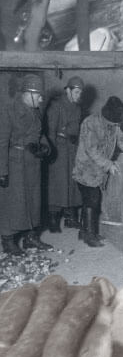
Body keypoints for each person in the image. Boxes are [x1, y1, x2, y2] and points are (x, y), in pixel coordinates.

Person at [73, 95, 123, 248]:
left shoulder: (114, 125)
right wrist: (108, 165)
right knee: (92, 200)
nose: (115, 126)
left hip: (97, 170)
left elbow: (122, 140)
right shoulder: (90, 123)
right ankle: (89, 236)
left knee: (92, 200)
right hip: (85, 168)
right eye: (113, 123)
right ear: (106, 116)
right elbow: (91, 150)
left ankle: (86, 232)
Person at [0, 74, 52, 255]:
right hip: (15, 165)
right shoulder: (8, 111)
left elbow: (41, 134)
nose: (41, 99)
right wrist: (2, 171)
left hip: (32, 164)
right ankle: (7, 240)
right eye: (38, 95)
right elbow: (1, 141)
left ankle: (31, 238)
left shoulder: (36, 111)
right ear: (28, 94)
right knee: (12, 204)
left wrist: (45, 148)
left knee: (33, 202)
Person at [44, 75, 85, 233]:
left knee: (73, 184)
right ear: (67, 90)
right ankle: (53, 220)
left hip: (72, 149)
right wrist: (52, 152)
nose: (78, 96)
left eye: (80, 93)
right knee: (57, 184)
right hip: (59, 148)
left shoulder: (77, 108)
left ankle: (70, 218)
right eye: (75, 92)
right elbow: (51, 131)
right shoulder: (56, 106)